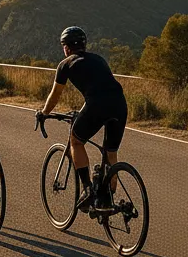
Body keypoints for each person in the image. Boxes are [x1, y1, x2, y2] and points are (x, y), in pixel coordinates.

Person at [37, 26, 127, 211]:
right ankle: (108, 200)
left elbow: (55, 96)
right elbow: (102, 85)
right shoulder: (99, 59)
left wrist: (44, 113)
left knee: (76, 142)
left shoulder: (65, 64)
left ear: (66, 47)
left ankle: (87, 189)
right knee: (111, 154)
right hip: (120, 104)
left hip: (97, 104)